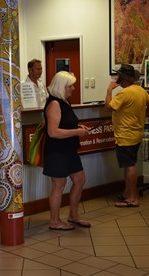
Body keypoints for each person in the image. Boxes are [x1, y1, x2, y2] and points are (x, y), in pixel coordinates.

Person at [43, 71, 91, 230]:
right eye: (70, 85)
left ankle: (73, 215)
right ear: (61, 86)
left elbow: (65, 124)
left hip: (69, 149)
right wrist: (77, 132)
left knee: (79, 179)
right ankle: (54, 221)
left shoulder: (65, 102)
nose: (73, 88)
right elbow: (53, 132)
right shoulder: (54, 104)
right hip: (57, 151)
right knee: (59, 184)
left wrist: (77, 127)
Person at [105, 64, 149, 208]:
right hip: (136, 134)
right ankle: (127, 193)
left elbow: (109, 106)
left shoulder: (124, 93)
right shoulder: (140, 90)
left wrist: (110, 89)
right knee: (129, 165)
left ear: (122, 78)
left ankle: (133, 199)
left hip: (125, 135)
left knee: (129, 166)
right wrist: (144, 116)